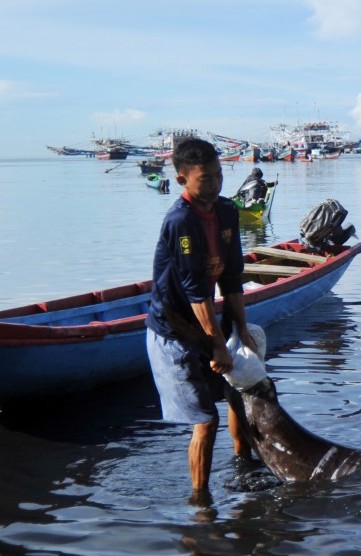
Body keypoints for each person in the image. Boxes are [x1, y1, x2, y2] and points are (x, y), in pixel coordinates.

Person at [145, 138, 258, 500]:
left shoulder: (226, 211)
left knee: (239, 397)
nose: (214, 183)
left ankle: (245, 467)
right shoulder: (181, 221)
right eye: (204, 178)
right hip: (175, 330)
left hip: (209, 321)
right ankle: (200, 501)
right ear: (182, 180)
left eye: (219, 175)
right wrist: (214, 345)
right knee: (205, 422)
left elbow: (231, 277)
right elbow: (195, 292)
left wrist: (241, 329)